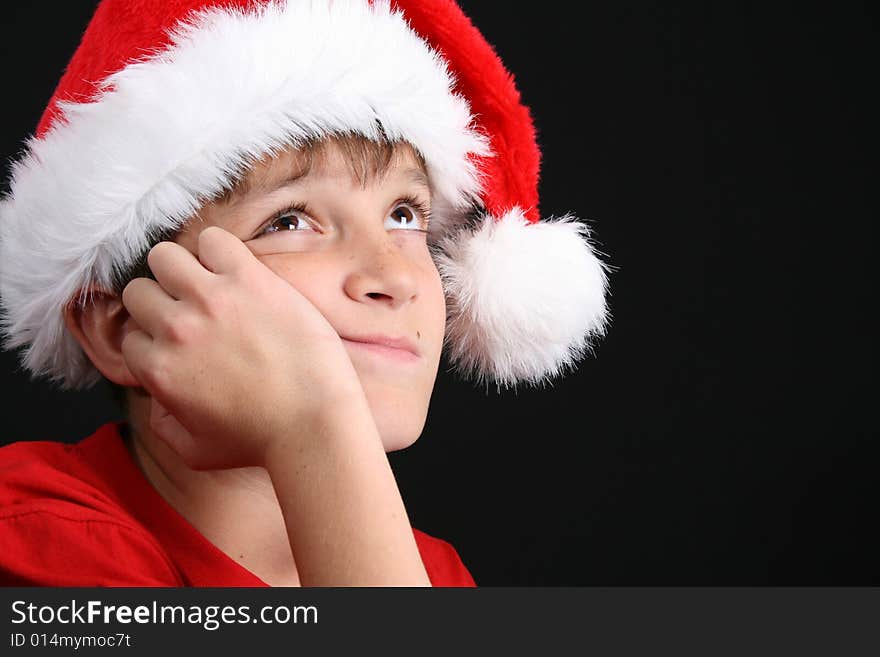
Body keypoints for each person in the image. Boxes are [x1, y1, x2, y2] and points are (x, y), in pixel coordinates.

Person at [0, 0, 611, 586]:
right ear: (121, 328)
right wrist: (313, 425)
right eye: (290, 222)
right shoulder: (37, 536)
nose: (394, 277)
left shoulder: (430, 574)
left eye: (404, 214)